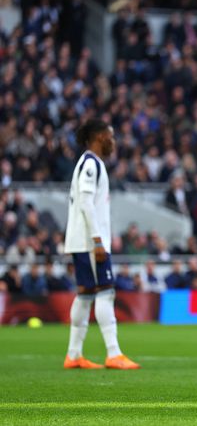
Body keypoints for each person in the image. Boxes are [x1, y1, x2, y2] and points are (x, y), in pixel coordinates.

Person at [63, 119, 140, 370]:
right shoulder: (91, 164)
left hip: (81, 241)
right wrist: (97, 240)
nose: (113, 142)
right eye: (110, 136)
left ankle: (74, 354)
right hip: (90, 242)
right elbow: (86, 203)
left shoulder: (88, 163)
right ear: (99, 137)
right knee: (106, 293)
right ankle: (113, 353)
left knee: (85, 295)